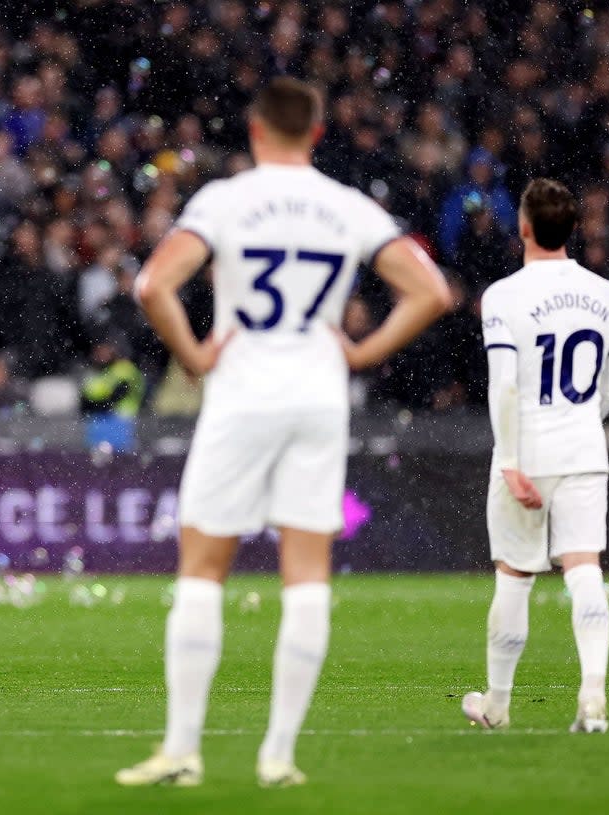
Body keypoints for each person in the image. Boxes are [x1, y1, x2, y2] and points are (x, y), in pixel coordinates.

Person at [116, 77, 450, 788]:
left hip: (242, 393)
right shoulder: (348, 206)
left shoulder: (226, 199)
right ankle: (278, 755)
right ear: (318, 132)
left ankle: (181, 749)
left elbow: (152, 285)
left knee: (203, 568)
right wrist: (361, 352)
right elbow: (431, 291)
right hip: (318, 397)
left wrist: (195, 354)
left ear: (257, 130)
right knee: (307, 576)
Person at [462, 178, 609, 734]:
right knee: (584, 570)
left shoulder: (504, 295)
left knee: (514, 575)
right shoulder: (604, 293)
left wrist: (510, 460)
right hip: (582, 445)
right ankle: (594, 695)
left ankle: (498, 706)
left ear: (524, 227)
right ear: (572, 228)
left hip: (525, 452)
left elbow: (503, 386)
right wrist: (577, 425)